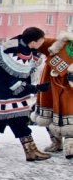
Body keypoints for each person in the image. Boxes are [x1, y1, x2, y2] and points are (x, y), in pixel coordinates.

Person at [0, 27, 51, 161]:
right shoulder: (19, 55)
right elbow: (15, 84)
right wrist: (36, 88)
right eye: (40, 41)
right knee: (18, 120)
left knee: (0, 118)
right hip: (5, 94)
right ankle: (31, 151)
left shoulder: (16, 43)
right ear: (33, 42)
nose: (42, 44)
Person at [31, 30, 73, 159]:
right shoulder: (59, 43)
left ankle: (70, 146)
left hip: (69, 92)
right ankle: (56, 142)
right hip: (50, 90)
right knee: (48, 117)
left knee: (69, 119)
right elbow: (37, 41)